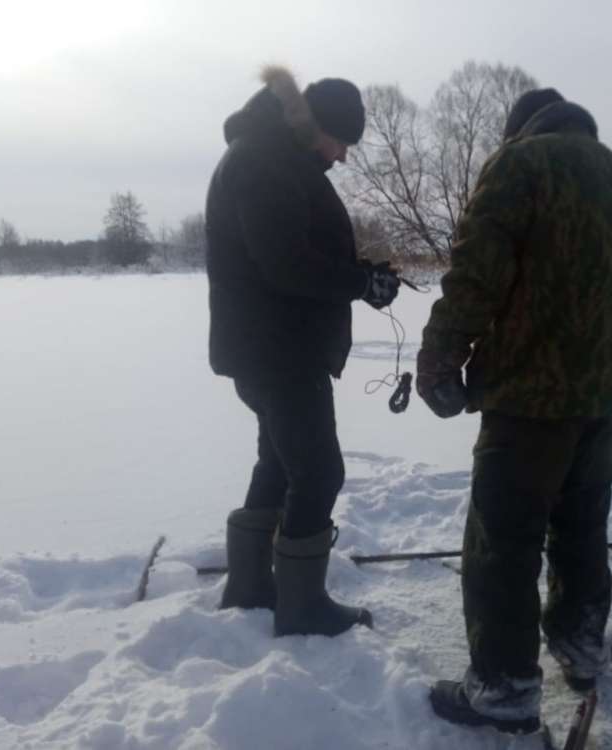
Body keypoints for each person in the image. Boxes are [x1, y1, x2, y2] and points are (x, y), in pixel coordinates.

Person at [416, 88, 612, 733]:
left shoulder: (519, 165)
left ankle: (502, 688)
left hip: (528, 398)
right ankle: (581, 648)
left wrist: (441, 356)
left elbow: (477, 274)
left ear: (519, 130)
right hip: (599, 398)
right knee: (581, 529)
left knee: (504, 541)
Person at [204, 66, 400, 637]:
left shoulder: (270, 155)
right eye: (341, 142)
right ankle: (302, 608)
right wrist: (360, 284)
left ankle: (250, 588)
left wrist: (359, 275)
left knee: (281, 464)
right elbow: (285, 263)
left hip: (268, 346)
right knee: (318, 473)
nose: (341, 156)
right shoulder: (265, 160)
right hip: (279, 351)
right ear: (318, 125)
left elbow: (293, 250)